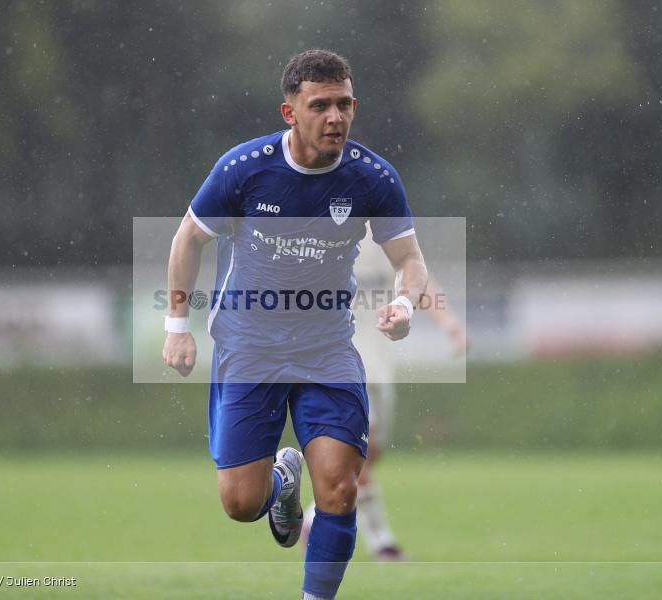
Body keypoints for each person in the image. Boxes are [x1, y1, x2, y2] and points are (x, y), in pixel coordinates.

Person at [162, 49, 428, 600]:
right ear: (290, 112)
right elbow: (188, 238)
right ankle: (282, 483)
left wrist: (404, 305)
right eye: (321, 105)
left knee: (339, 487)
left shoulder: (372, 177)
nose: (336, 117)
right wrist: (176, 324)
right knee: (240, 504)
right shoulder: (244, 168)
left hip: (326, 350)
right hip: (249, 349)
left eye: (345, 104)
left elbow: (410, 260)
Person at [301, 234, 468, 561]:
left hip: (379, 365)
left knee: (366, 459)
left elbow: (415, 275)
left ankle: (314, 518)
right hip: (344, 366)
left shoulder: (384, 232)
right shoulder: (322, 233)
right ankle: (380, 543)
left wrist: (449, 324)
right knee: (354, 458)